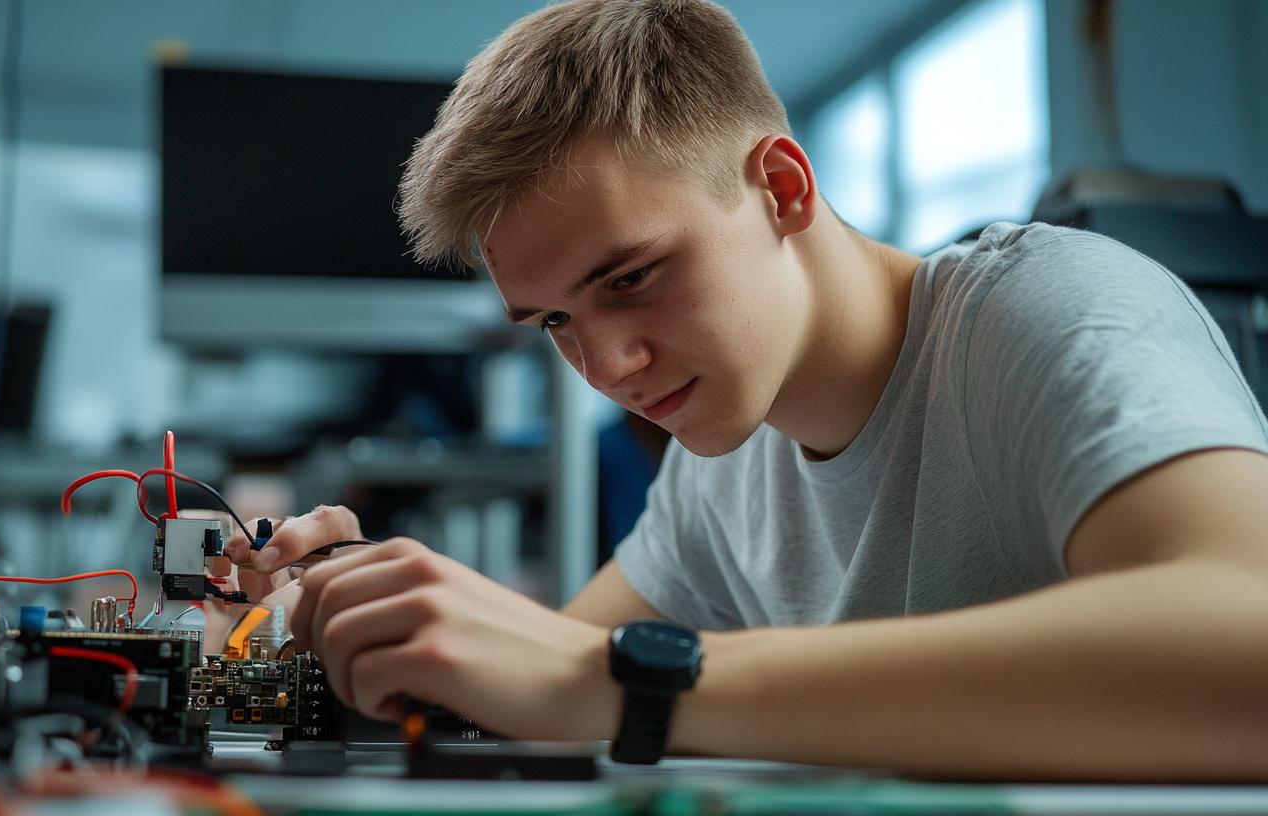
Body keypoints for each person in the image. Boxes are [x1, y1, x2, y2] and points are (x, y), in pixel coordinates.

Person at [224, 0, 1268, 779]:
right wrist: (368, 618)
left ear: (781, 187)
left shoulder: (1046, 307)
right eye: (554, 323)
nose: (606, 369)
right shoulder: (721, 468)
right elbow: (544, 686)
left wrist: (632, 682)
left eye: (630, 279)